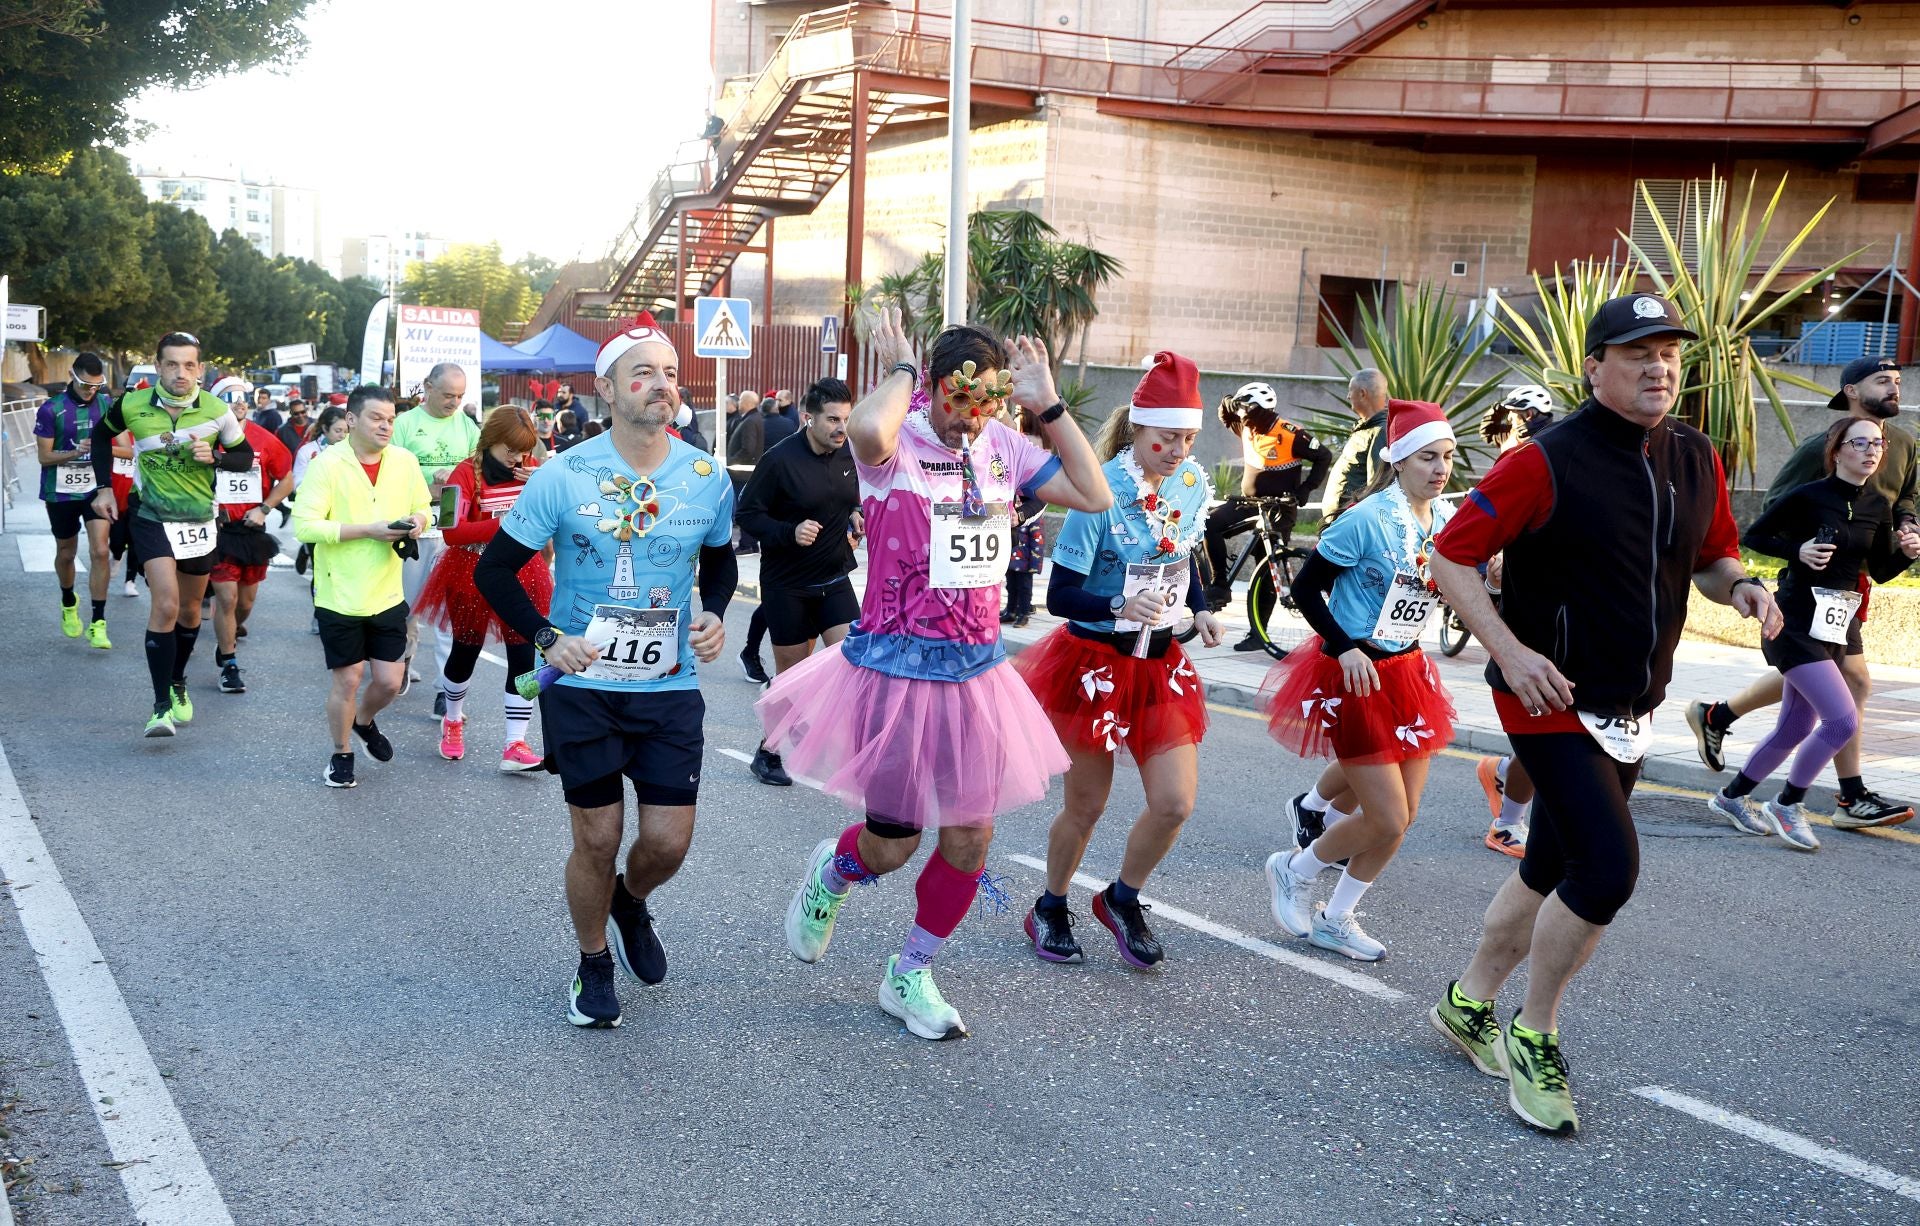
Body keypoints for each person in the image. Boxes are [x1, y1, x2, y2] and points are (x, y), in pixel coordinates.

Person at [1427, 293, 1781, 1136]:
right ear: (1594, 367)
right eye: (1636, 353)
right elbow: (1451, 555)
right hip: (1549, 696)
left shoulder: (1696, 454)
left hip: (1634, 702)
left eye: (1668, 353)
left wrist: (1744, 589)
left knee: (1552, 860)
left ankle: (1469, 1002)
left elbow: (1710, 555)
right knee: (1608, 870)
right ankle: (1534, 1031)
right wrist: (1510, 653)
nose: (1658, 366)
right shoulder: (1543, 460)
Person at [759, 308, 1111, 1041]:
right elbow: (864, 432)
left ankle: (911, 970)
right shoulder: (897, 446)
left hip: (976, 677)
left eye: (987, 400)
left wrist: (1047, 403)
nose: (970, 417)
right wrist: (895, 370)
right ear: (931, 389)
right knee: (894, 840)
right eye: (959, 398)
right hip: (894, 672)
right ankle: (832, 875)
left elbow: (1094, 492)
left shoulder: (1006, 449)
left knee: (970, 839)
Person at [474, 313, 738, 1029]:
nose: (662, 386)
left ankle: (630, 900)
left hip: (669, 686)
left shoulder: (707, 477)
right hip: (584, 687)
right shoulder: (564, 476)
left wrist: (713, 611)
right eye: (643, 373)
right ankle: (593, 962)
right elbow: (496, 571)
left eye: (671, 374)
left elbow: (719, 559)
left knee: (666, 842)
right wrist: (544, 636)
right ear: (609, 387)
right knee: (595, 837)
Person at [1015, 355, 1225, 968]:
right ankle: (1051, 905)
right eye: (1167, 437)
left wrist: (1203, 606)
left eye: (1188, 437)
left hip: (1159, 663)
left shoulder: (1190, 486)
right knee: (1086, 806)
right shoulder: (1099, 492)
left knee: (1174, 803)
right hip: (1096, 663)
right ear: (1137, 429)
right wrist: (1117, 601)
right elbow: (1059, 597)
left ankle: (1122, 898)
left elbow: (1182, 557)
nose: (1179, 449)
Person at [1259, 399, 1459, 964]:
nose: (1440, 469)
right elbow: (1304, 589)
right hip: (1356, 673)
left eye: (1447, 457)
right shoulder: (1367, 518)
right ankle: (1294, 869)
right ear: (1397, 461)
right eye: (1427, 459)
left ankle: (1336, 917)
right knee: (1387, 815)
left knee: (1403, 817)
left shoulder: (1445, 519)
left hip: (1408, 671)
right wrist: (1342, 646)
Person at [1688, 355, 1918, 827]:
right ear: (1851, 391)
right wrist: (1802, 548)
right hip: (1807, 595)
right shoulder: (1821, 448)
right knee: (1846, 694)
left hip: (1850, 592)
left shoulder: (1905, 445)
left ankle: (1721, 730)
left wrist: (1909, 538)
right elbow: (1771, 515)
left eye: (1897, 381)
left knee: (1811, 703)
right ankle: (1831, 798)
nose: (1894, 388)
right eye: (1882, 381)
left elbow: (1904, 504)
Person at [87, 332, 255, 737]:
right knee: (165, 604)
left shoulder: (217, 411)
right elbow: (100, 437)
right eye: (172, 364)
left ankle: (178, 681)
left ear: (200, 368)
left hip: (198, 521)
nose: (181, 373)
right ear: (159, 366)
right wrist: (104, 487)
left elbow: (244, 456)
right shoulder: (132, 403)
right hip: (151, 516)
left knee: (191, 611)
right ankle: (160, 705)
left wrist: (215, 456)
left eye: (189, 365)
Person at [293, 385, 431, 788]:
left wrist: (419, 522)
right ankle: (341, 754)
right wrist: (367, 531)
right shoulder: (327, 464)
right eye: (376, 418)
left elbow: (424, 509)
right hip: (339, 593)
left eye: (390, 419)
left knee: (390, 681)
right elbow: (306, 525)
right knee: (348, 679)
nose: (386, 426)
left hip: (387, 591)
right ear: (351, 419)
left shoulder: (404, 461)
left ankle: (363, 721)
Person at [735, 377, 862, 786]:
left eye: (846, 418)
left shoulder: (850, 454)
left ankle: (834, 738)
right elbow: (748, 515)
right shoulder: (779, 460)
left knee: (855, 663)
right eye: (832, 419)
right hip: (787, 585)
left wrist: (858, 514)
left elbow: (852, 496)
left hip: (833, 577)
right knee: (792, 680)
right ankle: (768, 753)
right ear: (808, 418)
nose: (842, 428)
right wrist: (789, 531)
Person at [415, 406, 552, 771]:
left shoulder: (531, 470)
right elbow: (451, 531)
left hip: (524, 570)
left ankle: (516, 742)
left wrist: (536, 482)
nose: (517, 457)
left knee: (525, 655)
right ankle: (453, 720)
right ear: (490, 440)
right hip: (470, 571)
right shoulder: (462, 473)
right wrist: (504, 526)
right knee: (465, 651)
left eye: (524, 449)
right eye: (510, 448)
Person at [1201, 381, 1333, 652]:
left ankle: (1257, 634)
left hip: (1279, 508)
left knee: (1266, 567)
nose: (1242, 416)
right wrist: (1231, 400)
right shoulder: (1245, 423)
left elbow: (1324, 456)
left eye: (1247, 410)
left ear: (1262, 410)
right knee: (1210, 523)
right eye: (1241, 410)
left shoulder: (1290, 433)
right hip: (1249, 502)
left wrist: (1306, 489)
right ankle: (1219, 584)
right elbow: (1224, 413)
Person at [391, 363, 480, 718]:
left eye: (460, 396)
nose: (454, 402)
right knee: (405, 607)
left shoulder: (467, 426)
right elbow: (389, 474)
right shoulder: (404, 425)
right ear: (427, 388)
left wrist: (459, 478)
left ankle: (446, 690)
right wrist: (430, 483)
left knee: (449, 613)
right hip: (413, 525)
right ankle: (402, 657)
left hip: (452, 528)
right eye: (447, 395)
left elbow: (478, 471)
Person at [208, 378, 295, 696]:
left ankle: (226, 641)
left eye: (243, 397)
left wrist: (264, 508)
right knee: (226, 599)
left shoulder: (264, 439)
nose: (239, 402)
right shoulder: (207, 438)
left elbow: (286, 480)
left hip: (251, 530)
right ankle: (229, 664)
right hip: (217, 532)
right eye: (230, 398)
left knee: (245, 602)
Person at [34, 351, 115, 648]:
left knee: (101, 551)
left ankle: (98, 622)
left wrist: (99, 447)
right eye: (85, 385)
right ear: (73, 375)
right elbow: (44, 456)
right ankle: (69, 600)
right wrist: (76, 451)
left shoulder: (107, 405)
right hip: (61, 491)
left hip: (96, 489)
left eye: (96, 385)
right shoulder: (51, 409)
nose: (91, 391)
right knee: (67, 553)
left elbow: (127, 450)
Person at [1318, 368, 1391, 518]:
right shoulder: (1365, 429)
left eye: (1350, 391)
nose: (1348, 396)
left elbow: (1376, 485)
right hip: (1339, 520)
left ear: (1362, 394)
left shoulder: (1379, 431)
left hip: (1351, 521)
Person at [1001, 407, 1049, 629]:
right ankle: (1010, 609)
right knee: (1010, 570)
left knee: (1024, 573)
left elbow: (1039, 494)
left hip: (1027, 521)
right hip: (1011, 520)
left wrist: (1021, 513)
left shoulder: (1033, 444)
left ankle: (1023, 611)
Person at [727, 390, 766, 554]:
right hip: (745, 472)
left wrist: (730, 461)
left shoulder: (750, 420)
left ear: (748, 403)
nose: (739, 403)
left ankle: (747, 543)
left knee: (743, 508)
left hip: (743, 473)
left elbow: (747, 449)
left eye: (742, 400)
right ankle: (750, 543)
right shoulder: (752, 418)